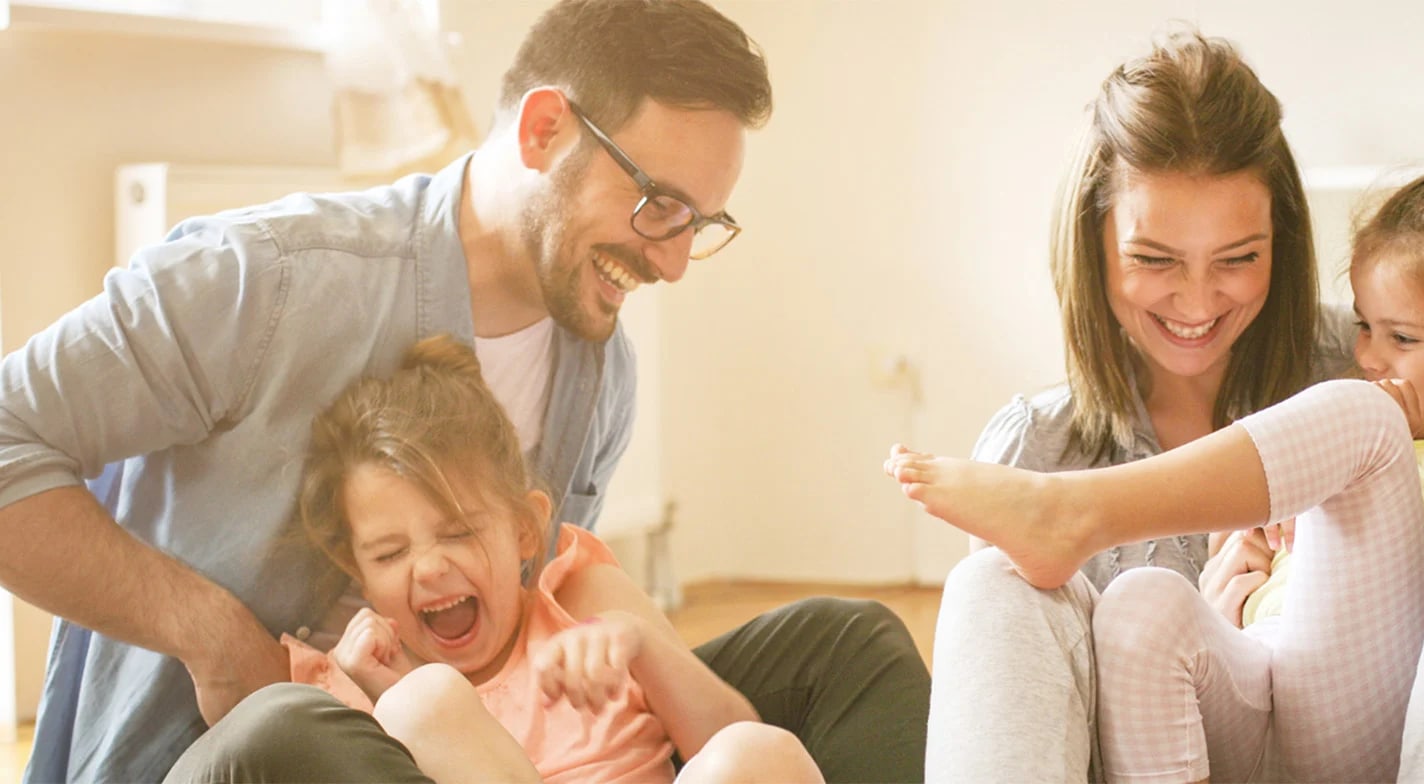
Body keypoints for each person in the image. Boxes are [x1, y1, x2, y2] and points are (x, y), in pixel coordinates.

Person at [0, 2, 927, 781]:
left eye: (701, 223)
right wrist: (210, 632)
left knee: (847, 645)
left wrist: (622, 657)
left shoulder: (600, 376)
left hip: (481, 753)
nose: (676, 262)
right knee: (292, 727)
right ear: (543, 129)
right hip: (249, 754)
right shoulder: (267, 277)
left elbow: (530, 638)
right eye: (659, 205)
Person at [908, 31, 1424, 784]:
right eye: (1154, 259)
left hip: (1391, 744)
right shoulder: (1033, 444)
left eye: (1238, 258)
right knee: (998, 584)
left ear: (1280, 242)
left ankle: (1080, 511)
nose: (1196, 302)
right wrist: (1213, 619)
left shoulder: (1379, 371)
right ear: (1090, 245)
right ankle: (1070, 520)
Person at [267, 335, 822, 783]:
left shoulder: (584, 606)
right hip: (414, 711)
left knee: (755, 751)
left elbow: (729, 738)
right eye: (390, 553)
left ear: (524, 530)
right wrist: (389, 691)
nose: (430, 568)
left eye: (458, 532)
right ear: (353, 567)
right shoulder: (349, 683)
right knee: (424, 702)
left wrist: (643, 644)